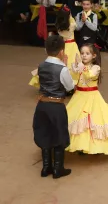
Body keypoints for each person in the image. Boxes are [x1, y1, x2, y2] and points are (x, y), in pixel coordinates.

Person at [33, 35, 74, 179]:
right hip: (56, 106)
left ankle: (46, 167)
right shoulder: (62, 69)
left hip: (42, 105)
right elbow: (70, 87)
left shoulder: (41, 65)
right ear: (62, 51)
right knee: (59, 135)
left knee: (44, 133)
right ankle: (58, 169)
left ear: (46, 50)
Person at [29, 6, 81, 88]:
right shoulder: (72, 24)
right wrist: (70, 15)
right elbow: (76, 24)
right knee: (73, 62)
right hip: (71, 45)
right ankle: (70, 83)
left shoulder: (58, 25)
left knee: (57, 61)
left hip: (61, 45)